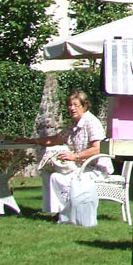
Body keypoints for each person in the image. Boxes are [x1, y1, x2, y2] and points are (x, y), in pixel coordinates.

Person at [23, 90, 111, 218]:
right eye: (70, 105)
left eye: (76, 105)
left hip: (95, 170)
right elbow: (56, 139)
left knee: (57, 178)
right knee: (47, 172)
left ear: (84, 105)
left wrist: (74, 156)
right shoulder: (73, 123)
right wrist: (32, 141)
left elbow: (97, 148)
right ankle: (54, 211)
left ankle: (66, 213)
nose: (72, 108)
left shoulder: (91, 122)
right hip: (81, 167)